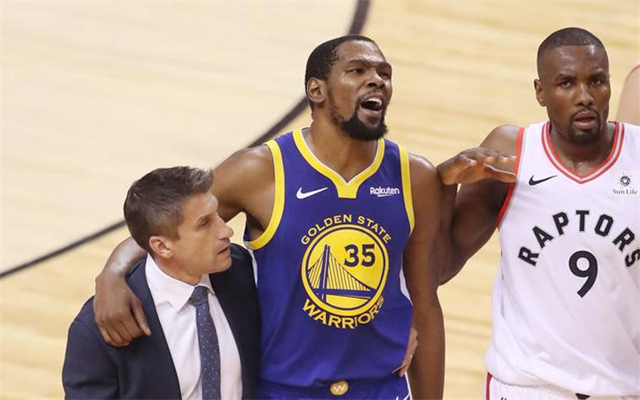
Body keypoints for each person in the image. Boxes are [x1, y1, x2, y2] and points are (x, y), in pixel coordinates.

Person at [92, 35, 444, 399]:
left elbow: (426, 304)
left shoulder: (415, 176)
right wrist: (112, 274)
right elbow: (169, 227)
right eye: (357, 71)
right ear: (316, 90)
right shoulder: (259, 170)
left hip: (382, 389)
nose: (376, 80)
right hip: (282, 390)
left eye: (384, 73)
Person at [437, 27, 640, 399]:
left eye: (596, 81)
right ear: (540, 91)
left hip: (622, 388)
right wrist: (443, 186)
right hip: (526, 387)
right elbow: (441, 267)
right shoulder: (511, 152)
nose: (584, 96)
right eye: (566, 83)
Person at [63, 167, 260, 399]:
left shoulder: (243, 272)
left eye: (217, 215)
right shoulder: (100, 326)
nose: (226, 230)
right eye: (205, 224)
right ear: (162, 246)